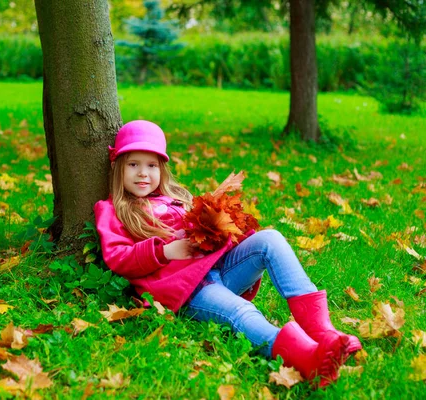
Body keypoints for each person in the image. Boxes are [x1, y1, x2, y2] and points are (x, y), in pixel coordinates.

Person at [94, 120, 362, 388]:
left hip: (218, 270)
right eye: (134, 165)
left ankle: (321, 331)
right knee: (242, 311)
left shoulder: (175, 197)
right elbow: (118, 258)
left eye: (151, 165)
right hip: (189, 291)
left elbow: (205, 235)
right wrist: (164, 251)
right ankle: (306, 358)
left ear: (162, 169)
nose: (143, 173)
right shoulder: (112, 210)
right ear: (118, 167)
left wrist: (218, 228)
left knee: (271, 239)